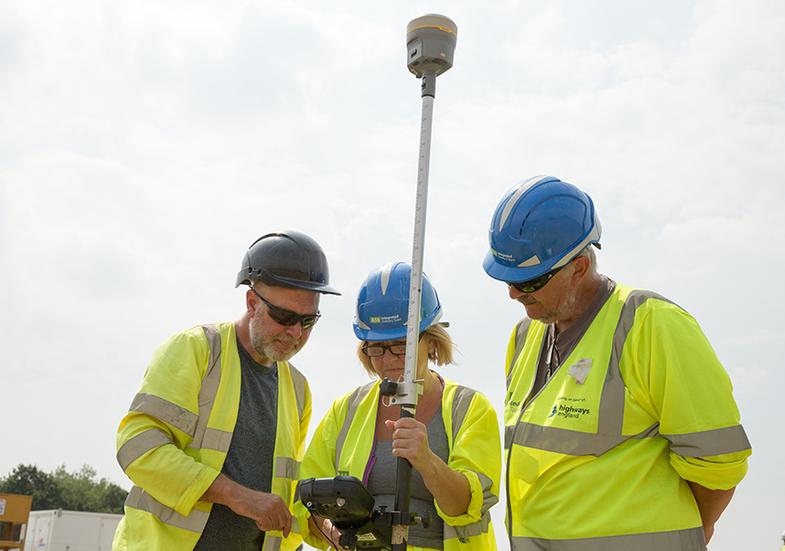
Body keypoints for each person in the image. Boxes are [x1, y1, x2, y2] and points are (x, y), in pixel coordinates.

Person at [482, 175, 752, 550]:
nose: (513, 293)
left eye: (529, 281)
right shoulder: (524, 337)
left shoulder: (650, 324)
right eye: (507, 280)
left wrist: (685, 532)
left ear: (578, 267)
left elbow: (718, 462)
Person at [113, 231, 340, 551]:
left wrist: (325, 528)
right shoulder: (196, 351)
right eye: (285, 317)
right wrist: (237, 497)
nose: (295, 332)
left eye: (308, 321)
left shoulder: (298, 389)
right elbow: (138, 447)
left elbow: (285, 496)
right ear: (251, 302)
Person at [298, 261, 500, 550]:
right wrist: (336, 534)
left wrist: (427, 460)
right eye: (376, 347)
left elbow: (464, 507)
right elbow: (305, 499)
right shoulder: (346, 409)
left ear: (430, 341)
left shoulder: (470, 409)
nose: (389, 359)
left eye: (401, 345)